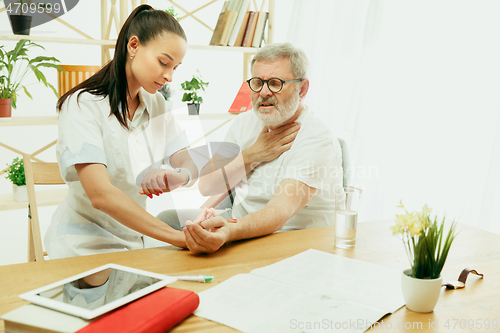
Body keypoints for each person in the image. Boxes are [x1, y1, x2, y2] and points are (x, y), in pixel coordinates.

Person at [158, 43, 343, 254]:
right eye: (257, 82)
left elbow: (278, 212)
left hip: (293, 239)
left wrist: (229, 230)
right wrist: (252, 155)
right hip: (241, 226)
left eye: (275, 83)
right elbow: (207, 185)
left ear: (302, 89)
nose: (263, 92)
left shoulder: (317, 139)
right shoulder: (244, 123)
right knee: (165, 223)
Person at [45, 5, 198, 259]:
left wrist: (178, 175)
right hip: (84, 244)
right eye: (163, 63)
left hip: (135, 243)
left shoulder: (157, 104)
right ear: (134, 46)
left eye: (176, 67)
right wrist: (177, 237)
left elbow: (188, 161)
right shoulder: (83, 105)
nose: (169, 76)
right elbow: (101, 195)